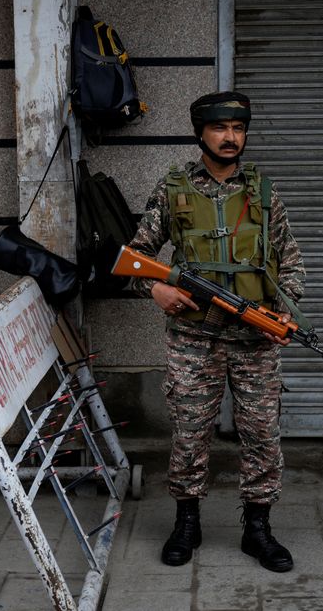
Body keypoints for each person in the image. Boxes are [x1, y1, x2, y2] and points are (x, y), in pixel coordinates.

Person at [127, 91, 306, 572]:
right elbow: (135, 258)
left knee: (262, 434)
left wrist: (284, 313)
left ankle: (258, 528)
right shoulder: (174, 190)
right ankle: (187, 522)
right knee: (190, 433)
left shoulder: (263, 192)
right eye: (221, 128)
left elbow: (290, 263)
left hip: (254, 341)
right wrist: (156, 290)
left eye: (238, 129)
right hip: (193, 339)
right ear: (200, 133)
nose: (231, 138)